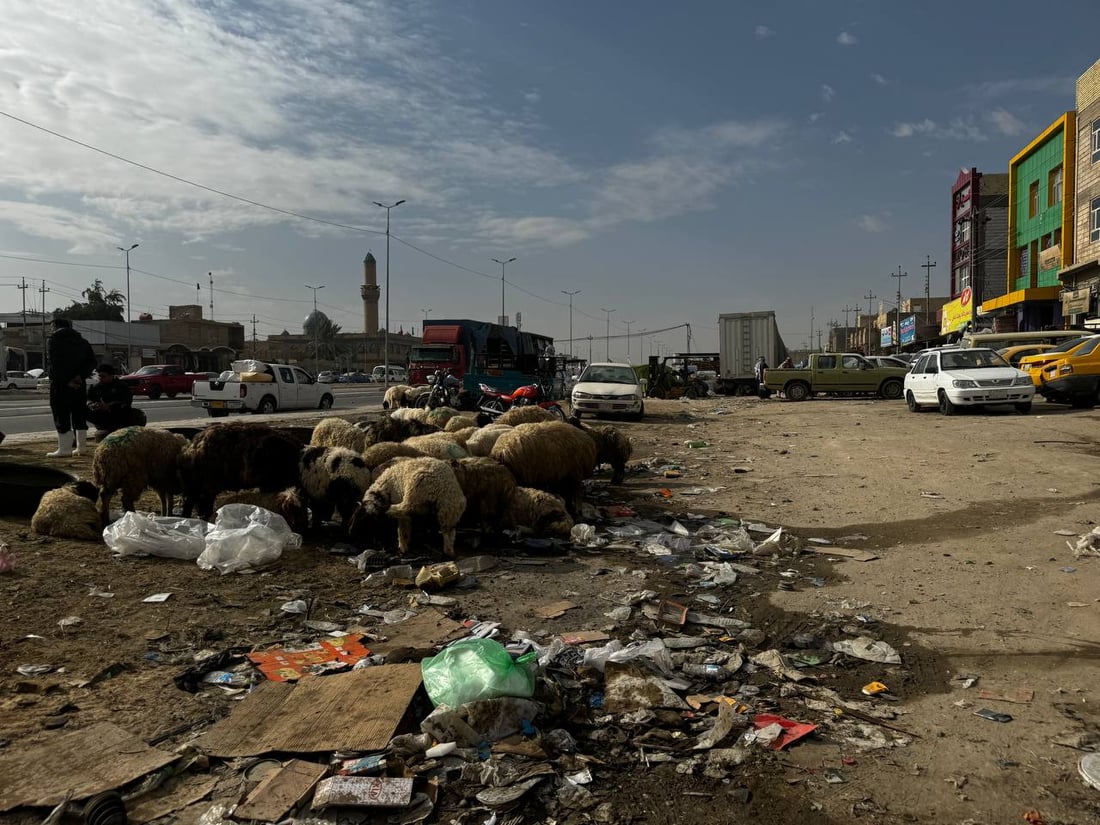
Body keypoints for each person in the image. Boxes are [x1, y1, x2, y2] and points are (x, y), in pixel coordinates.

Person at [45, 317, 97, 458]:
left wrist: (65, 380)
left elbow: (54, 363)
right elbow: (92, 362)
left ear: (55, 326)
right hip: (79, 384)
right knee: (79, 414)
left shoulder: (54, 340)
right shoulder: (83, 342)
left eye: (51, 326)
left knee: (61, 414)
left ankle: (65, 449)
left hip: (61, 385)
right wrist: (80, 376)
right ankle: (82, 447)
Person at [86, 363, 147, 437]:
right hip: (102, 414)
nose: (101, 378)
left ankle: (116, 428)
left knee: (135, 414)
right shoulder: (96, 387)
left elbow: (126, 401)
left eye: (104, 376)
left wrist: (110, 405)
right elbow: (89, 399)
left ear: (111, 375)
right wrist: (92, 405)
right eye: (99, 376)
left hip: (118, 414)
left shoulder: (121, 386)